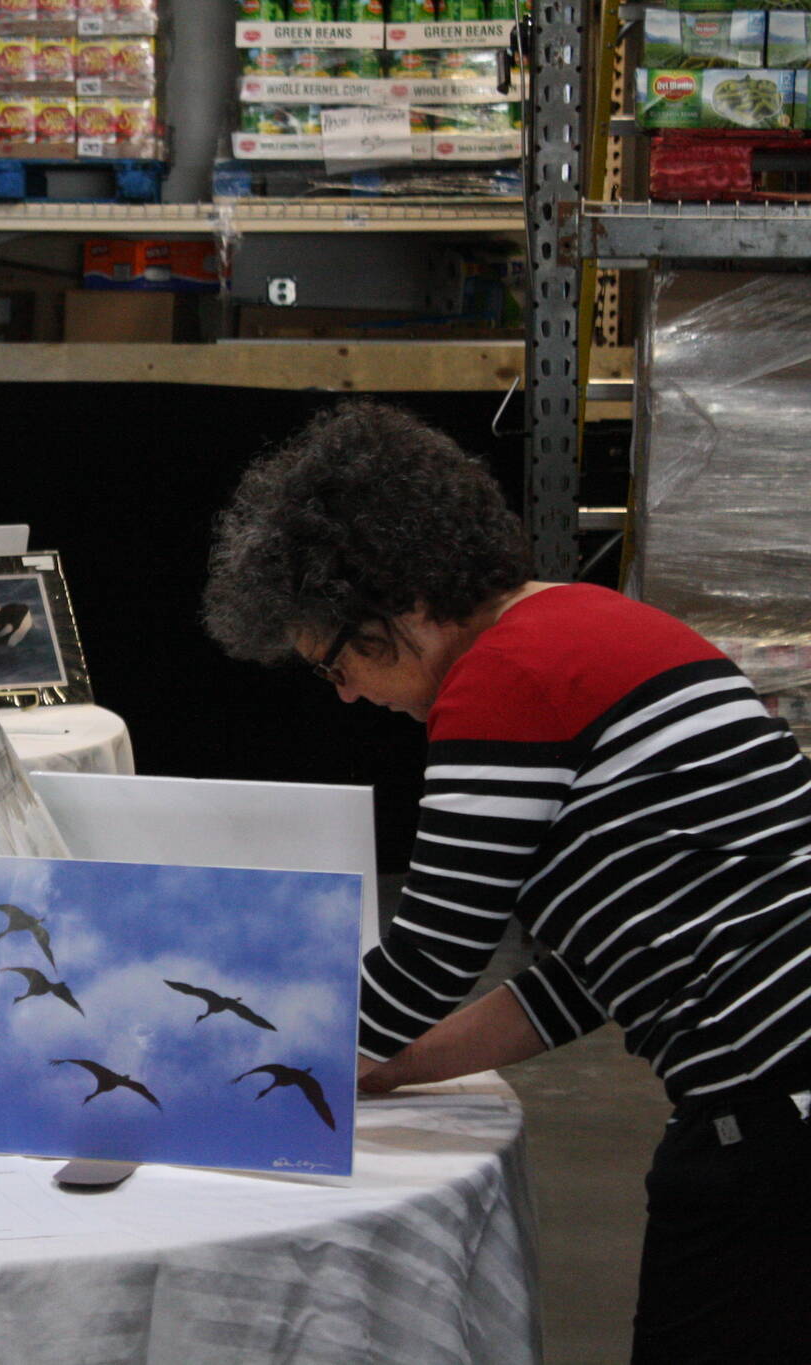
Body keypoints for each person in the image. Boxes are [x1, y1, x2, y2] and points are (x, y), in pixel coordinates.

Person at [201, 400, 811, 1363]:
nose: (350, 694)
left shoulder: (505, 680)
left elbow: (434, 950)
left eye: (335, 663)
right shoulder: (591, 627)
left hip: (773, 1109)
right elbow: (588, 978)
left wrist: (234, 1074)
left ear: (393, 601)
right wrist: (390, 1065)